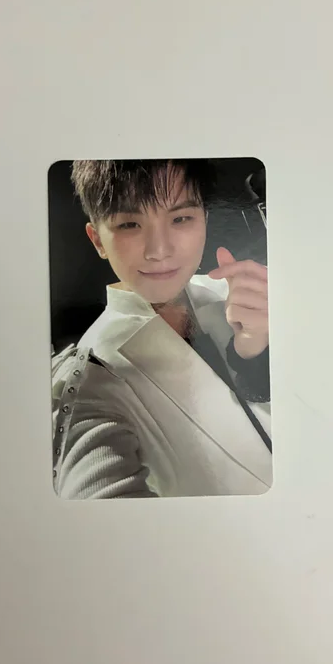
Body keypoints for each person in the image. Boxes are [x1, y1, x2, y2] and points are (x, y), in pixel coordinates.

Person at [52, 159, 272, 499]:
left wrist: (255, 355)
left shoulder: (243, 296)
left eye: (181, 219)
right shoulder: (92, 375)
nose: (159, 250)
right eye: (129, 224)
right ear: (98, 240)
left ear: (204, 219)